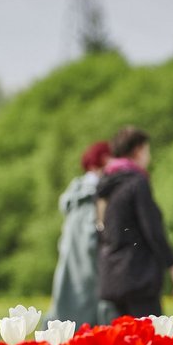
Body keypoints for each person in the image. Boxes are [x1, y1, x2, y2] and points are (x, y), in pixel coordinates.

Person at [96, 126, 173, 320]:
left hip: (112, 276)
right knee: (150, 342)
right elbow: (152, 229)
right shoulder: (137, 182)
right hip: (138, 277)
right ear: (138, 150)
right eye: (147, 150)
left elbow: (101, 230)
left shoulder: (107, 184)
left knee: (124, 343)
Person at [47, 140, 112, 327]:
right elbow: (92, 233)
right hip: (88, 262)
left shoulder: (75, 191)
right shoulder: (95, 192)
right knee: (88, 309)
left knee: (65, 304)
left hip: (69, 258)